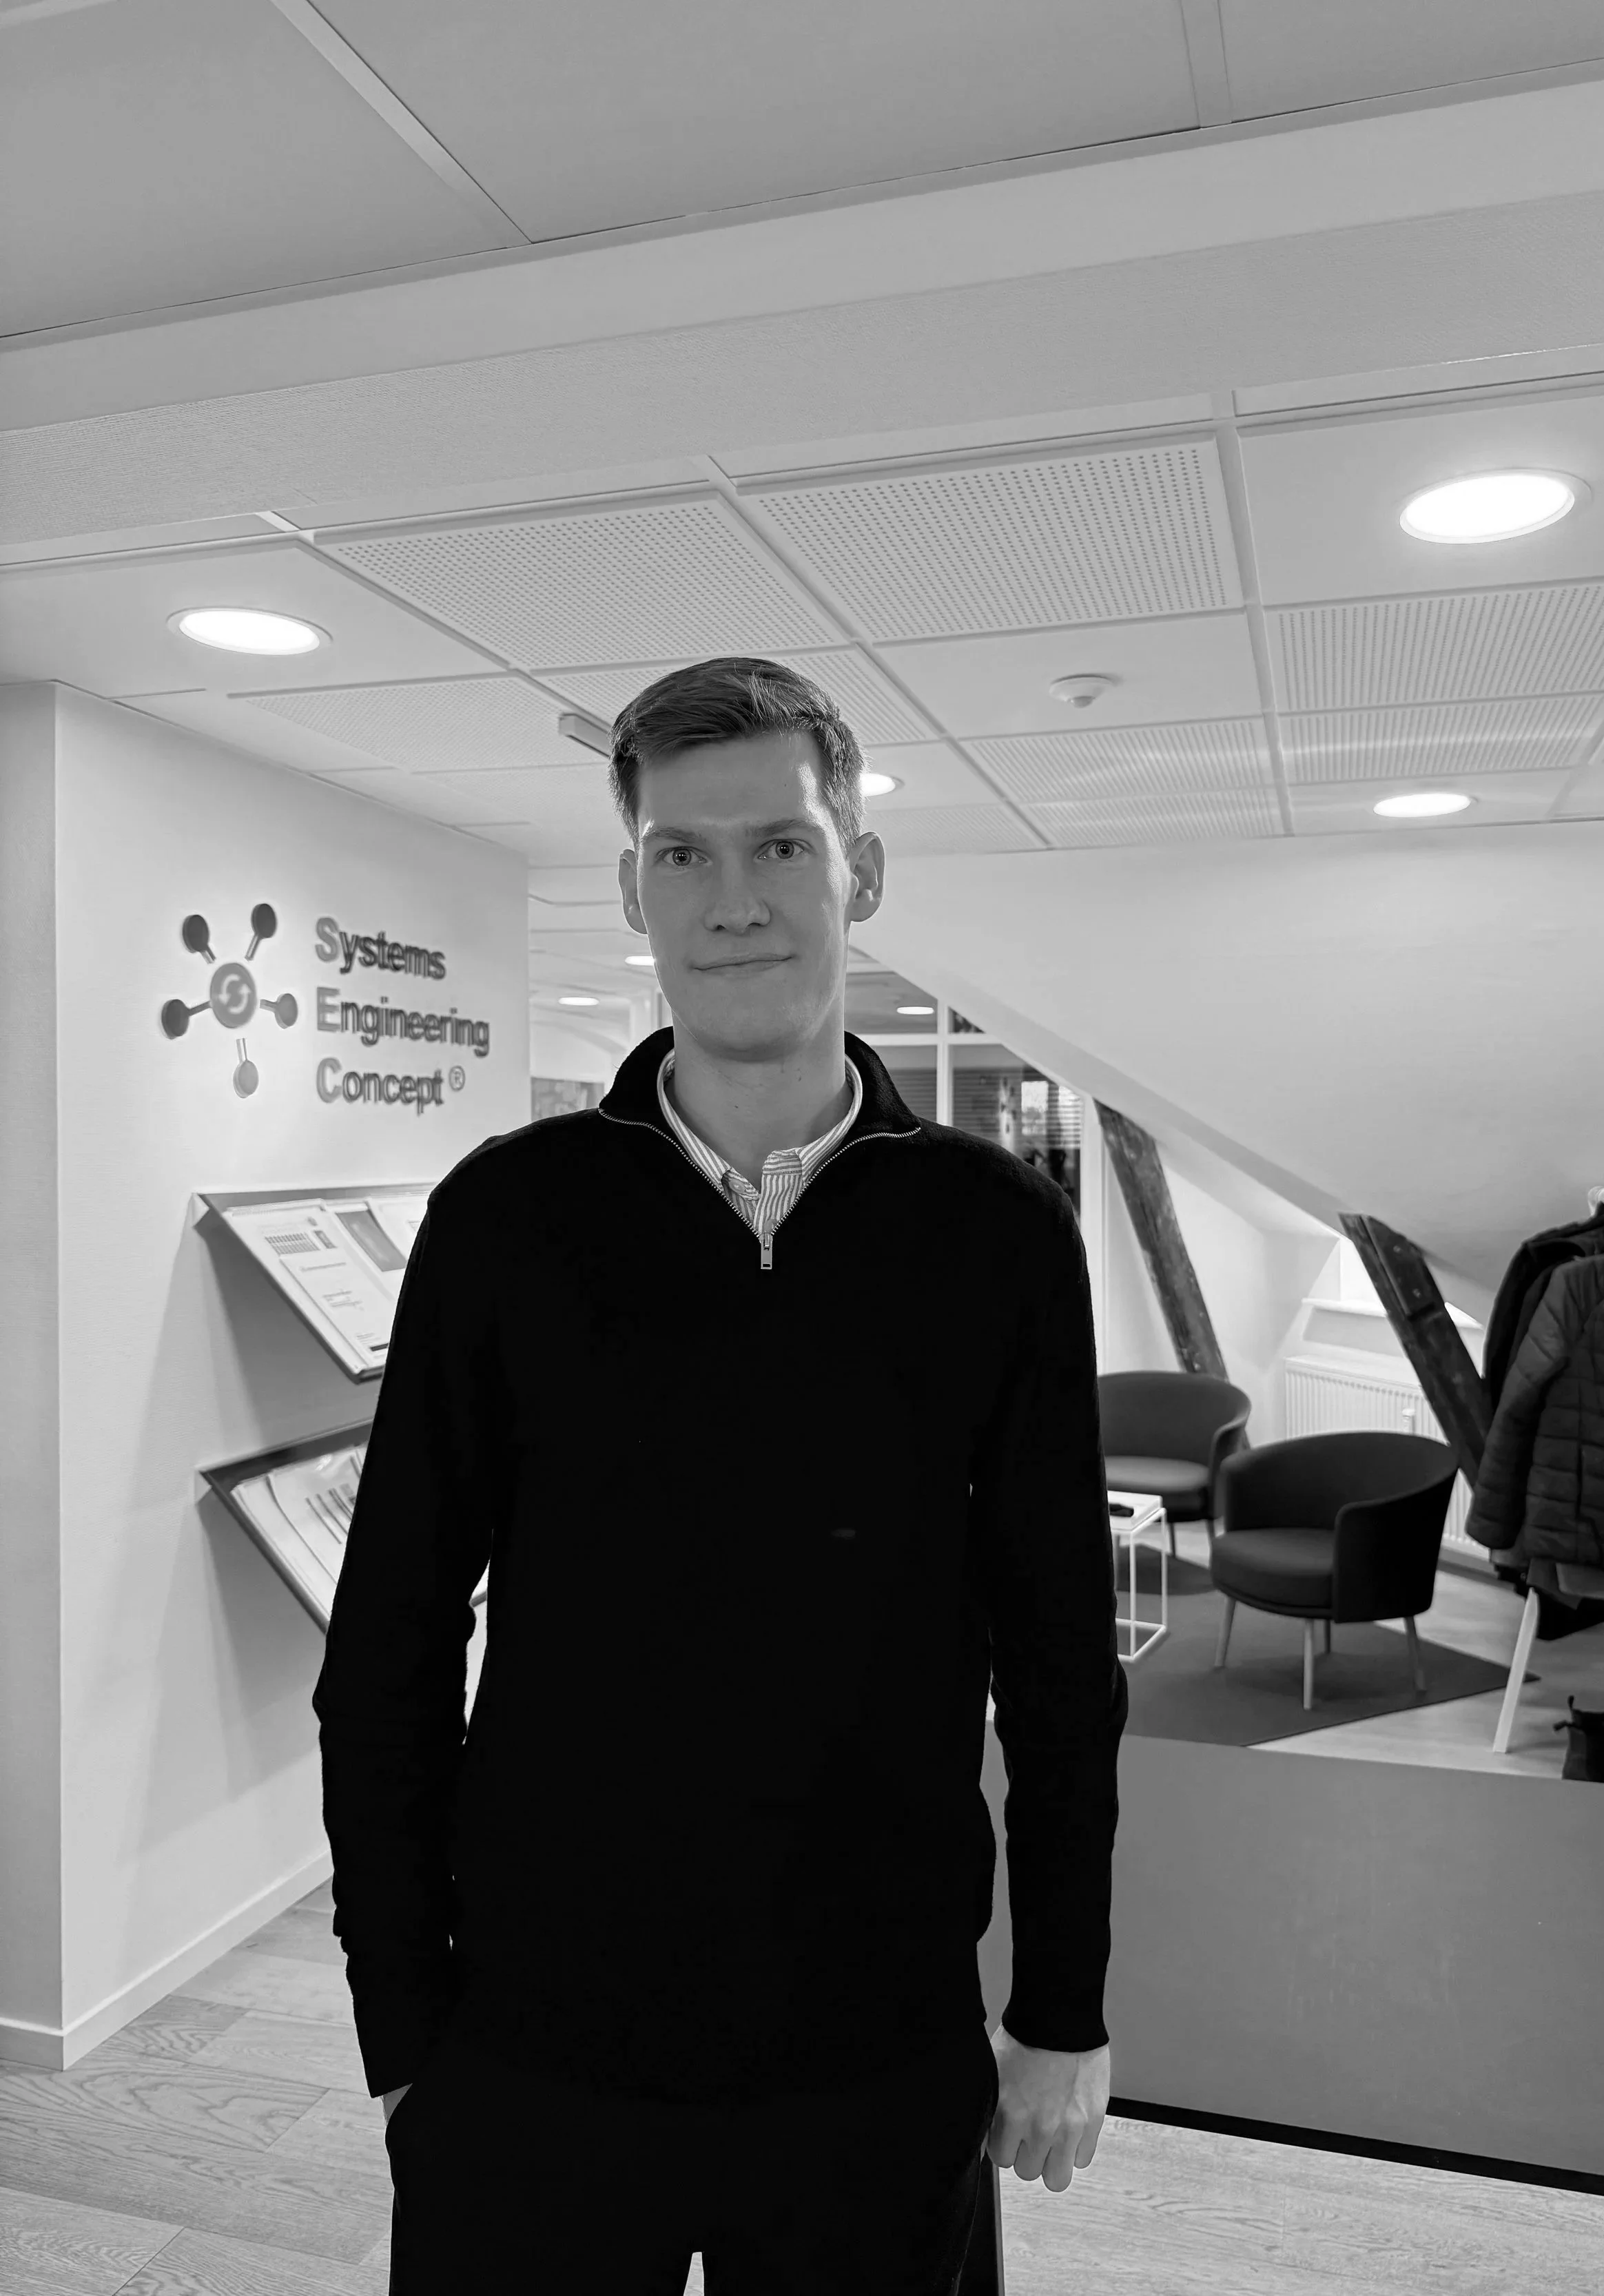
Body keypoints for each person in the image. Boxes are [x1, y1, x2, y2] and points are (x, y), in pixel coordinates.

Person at [312, 656, 1129, 2294]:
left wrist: (1060, 2006)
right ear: (631, 886)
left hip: (874, 2037)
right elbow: (387, 1639)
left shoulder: (994, 1234)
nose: (733, 898)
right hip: (538, 2033)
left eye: (781, 848)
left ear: (861, 871)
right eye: (682, 854)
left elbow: (1054, 1656)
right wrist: (403, 2018)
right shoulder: (508, 1220)